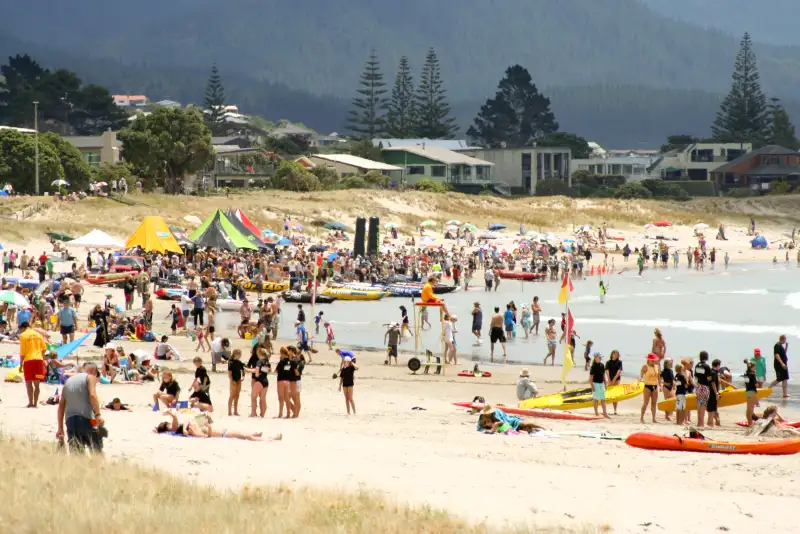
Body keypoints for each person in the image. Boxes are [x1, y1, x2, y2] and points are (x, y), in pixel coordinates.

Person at [56, 362, 104, 453]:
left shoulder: (68, 381)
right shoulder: (90, 377)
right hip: (87, 419)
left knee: (76, 457)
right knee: (97, 452)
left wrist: (60, 428)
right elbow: (93, 395)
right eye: (97, 374)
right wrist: (98, 415)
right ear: (93, 370)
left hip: (70, 422)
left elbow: (61, 406)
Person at [155, 410, 281, 441]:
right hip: (222, 434)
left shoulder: (188, 426)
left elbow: (188, 420)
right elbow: (206, 436)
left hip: (222, 431)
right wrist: (208, 426)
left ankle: (256, 434)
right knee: (246, 437)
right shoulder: (190, 430)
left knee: (245, 434)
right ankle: (270, 439)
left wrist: (205, 421)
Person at [19, 321, 47, 408]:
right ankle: (35, 404)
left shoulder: (23, 335)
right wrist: (41, 357)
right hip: (39, 360)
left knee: (28, 383)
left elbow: (22, 352)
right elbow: (44, 349)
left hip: (29, 360)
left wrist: (21, 364)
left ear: (23, 328)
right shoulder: (39, 335)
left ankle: (30, 402)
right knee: (37, 383)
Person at [246, 347, 270, 418]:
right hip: (265, 381)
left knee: (253, 397)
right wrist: (248, 370)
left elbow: (257, 369)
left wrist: (256, 374)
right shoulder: (267, 362)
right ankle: (262, 414)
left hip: (259, 381)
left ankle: (253, 413)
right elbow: (267, 370)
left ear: (259, 354)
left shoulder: (259, 361)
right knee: (263, 398)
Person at [639, 353, 661, 424]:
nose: (653, 361)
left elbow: (659, 377)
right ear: (648, 359)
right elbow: (641, 375)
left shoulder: (657, 367)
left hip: (655, 386)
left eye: (654, 360)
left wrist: (660, 385)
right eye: (651, 360)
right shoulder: (645, 366)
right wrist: (639, 381)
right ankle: (641, 418)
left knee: (654, 403)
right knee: (645, 403)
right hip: (647, 386)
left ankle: (654, 418)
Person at [693, 351, 713, 428]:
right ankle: (701, 423)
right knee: (703, 405)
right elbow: (708, 377)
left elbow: (696, 376)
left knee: (699, 404)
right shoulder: (706, 366)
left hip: (698, 385)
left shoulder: (697, 365)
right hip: (704, 386)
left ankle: (699, 422)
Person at [589, 353, 610, 418]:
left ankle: (605, 413)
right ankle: (596, 413)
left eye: (600, 357)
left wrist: (605, 384)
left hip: (601, 384)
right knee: (596, 399)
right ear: (595, 357)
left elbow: (603, 375)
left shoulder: (602, 365)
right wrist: (592, 386)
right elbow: (591, 378)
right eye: (599, 357)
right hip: (596, 384)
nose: (600, 357)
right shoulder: (593, 366)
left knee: (603, 399)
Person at [276, 346, 294, 419]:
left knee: (281, 398)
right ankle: (288, 413)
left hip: (281, 380)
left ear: (282, 353)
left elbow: (276, 371)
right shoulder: (290, 362)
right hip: (287, 381)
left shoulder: (281, 362)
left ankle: (280, 413)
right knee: (287, 398)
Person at [227, 349, 245, 416]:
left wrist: (243, 377)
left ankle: (235, 411)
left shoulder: (239, 362)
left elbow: (243, 370)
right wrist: (232, 380)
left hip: (239, 380)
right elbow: (229, 374)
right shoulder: (230, 362)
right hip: (233, 380)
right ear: (235, 354)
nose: (240, 356)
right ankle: (229, 411)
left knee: (237, 396)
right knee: (232, 395)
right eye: (239, 354)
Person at [604, 350, 623, 415]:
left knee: (615, 395)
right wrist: (609, 379)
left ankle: (615, 410)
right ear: (612, 354)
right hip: (610, 379)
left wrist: (614, 379)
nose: (616, 355)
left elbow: (619, 371)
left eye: (617, 354)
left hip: (617, 379)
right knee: (610, 394)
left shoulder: (619, 362)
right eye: (614, 354)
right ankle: (604, 409)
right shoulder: (608, 362)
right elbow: (607, 371)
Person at [744, 360, 759, 425]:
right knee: (751, 409)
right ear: (752, 367)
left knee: (748, 408)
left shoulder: (745, 373)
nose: (755, 368)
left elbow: (746, 383)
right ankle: (750, 423)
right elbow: (756, 385)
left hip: (748, 391)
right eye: (755, 367)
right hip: (752, 391)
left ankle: (749, 422)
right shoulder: (752, 375)